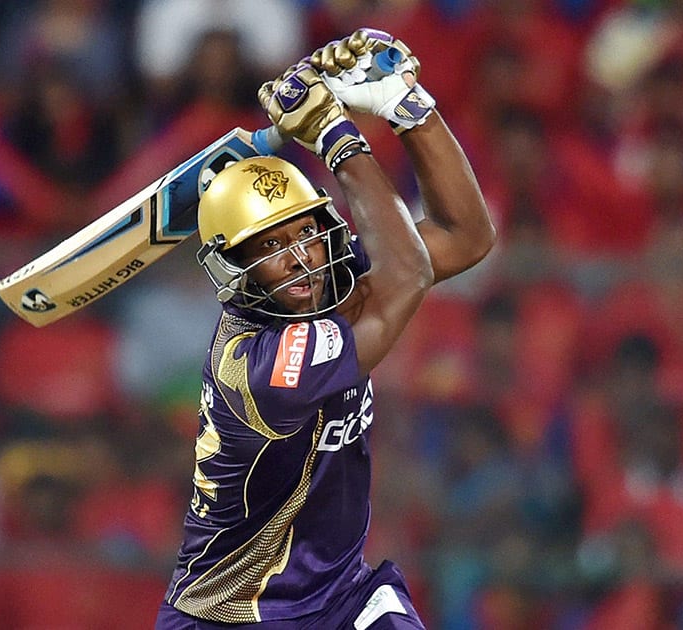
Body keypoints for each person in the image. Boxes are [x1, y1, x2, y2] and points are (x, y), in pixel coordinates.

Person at [155, 28, 496, 628]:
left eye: (306, 232)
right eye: (270, 247)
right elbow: (408, 277)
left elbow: (468, 236)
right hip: (232, 614)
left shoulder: (330, 281)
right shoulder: (258, 366)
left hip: (340, 597)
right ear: (234, 269)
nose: (301, 257)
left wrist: (406, 106)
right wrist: (336, 138)